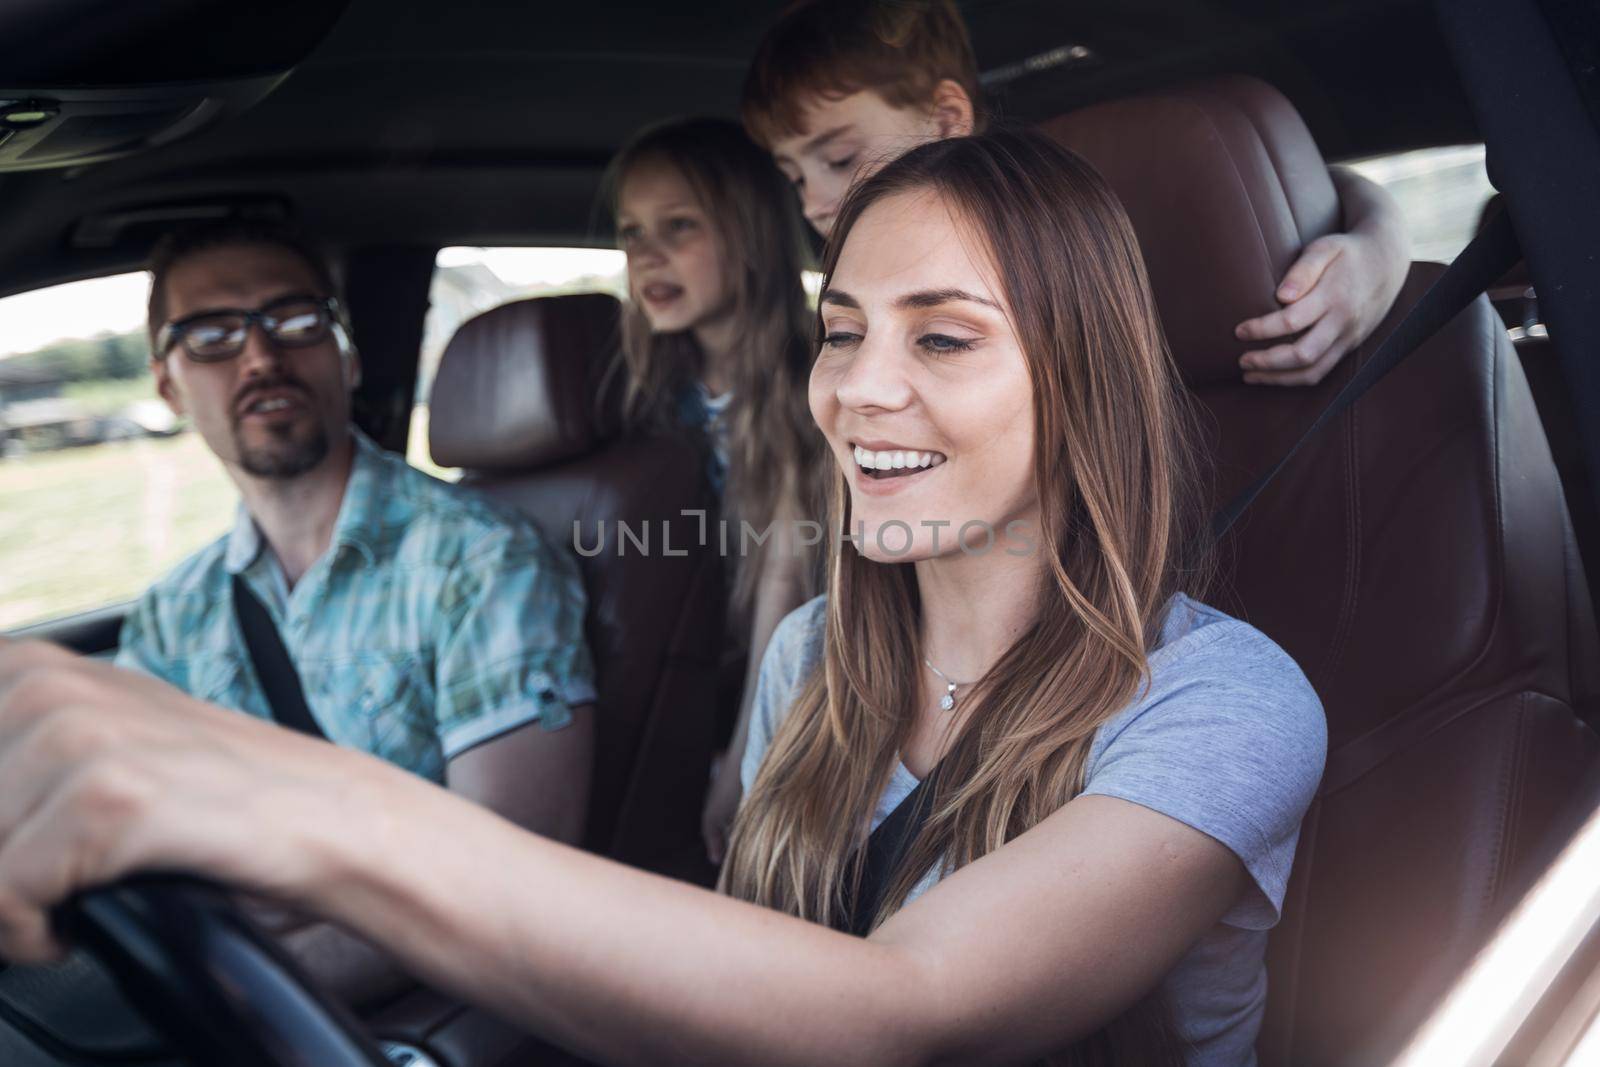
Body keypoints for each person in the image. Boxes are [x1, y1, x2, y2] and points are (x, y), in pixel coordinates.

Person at [0, 131, 1325, 1065]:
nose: (857, 389)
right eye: (846, 328)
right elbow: (748, 999)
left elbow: (905, 1010)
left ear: (1084, 376)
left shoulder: (1224, 700)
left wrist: (286, 802)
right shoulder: (812, 659)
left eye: (942, 335)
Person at [113, 220, 599, 1005]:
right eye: (211, 336)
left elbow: (509, 882)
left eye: (297, 322)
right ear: (167, 385)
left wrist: (238, 986)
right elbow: (137, 845)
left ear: (349, 352)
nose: (261, 357)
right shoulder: (172, 615)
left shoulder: (479, 562)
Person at [741, 0, 1412, 389]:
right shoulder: (844, 320)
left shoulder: (1049, 228)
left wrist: (1381, 239)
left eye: (839, 157)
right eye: (795, 177)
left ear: (946, 121)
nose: (815, 202)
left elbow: (1254, 188)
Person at [606, 118, 825, 864]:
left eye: (678, 226)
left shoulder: (811, 384)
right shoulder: (643, 393)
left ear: (750, 234)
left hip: (788, 685)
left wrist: (741, 767)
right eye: (630, 232)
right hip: (681, 677)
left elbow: (784, 583)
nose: (646, 254)